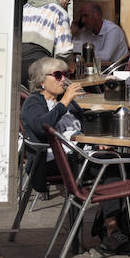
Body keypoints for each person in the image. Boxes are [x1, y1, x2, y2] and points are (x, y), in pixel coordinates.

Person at [20, 56, 84, 198]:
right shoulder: (33, 102)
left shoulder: (66, 102)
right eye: (57, 75)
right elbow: (42, 127)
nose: (63, 80)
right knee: (116, 167)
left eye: (65, 75)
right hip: (48, 161)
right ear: (42, 80)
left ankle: (111, 218)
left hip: (79, 154)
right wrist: (66, 100)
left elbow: (84, 123)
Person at [21, 0, 75, 82]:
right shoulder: (59, 12)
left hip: (17, 64)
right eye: (67, 2)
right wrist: (66, 68)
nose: (65, 5)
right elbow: (64, 51)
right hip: (40, 66)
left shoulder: (25, 7)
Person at [72, 2, 130, 68]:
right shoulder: (84, 31)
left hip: (117, 71)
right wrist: (72, 33)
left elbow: (106, 56)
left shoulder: (113, 30)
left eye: (86, 16)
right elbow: (73, 51)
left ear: (98, 15)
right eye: (81, 17)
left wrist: (83, 53)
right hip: (97, 70)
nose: (82, 20)